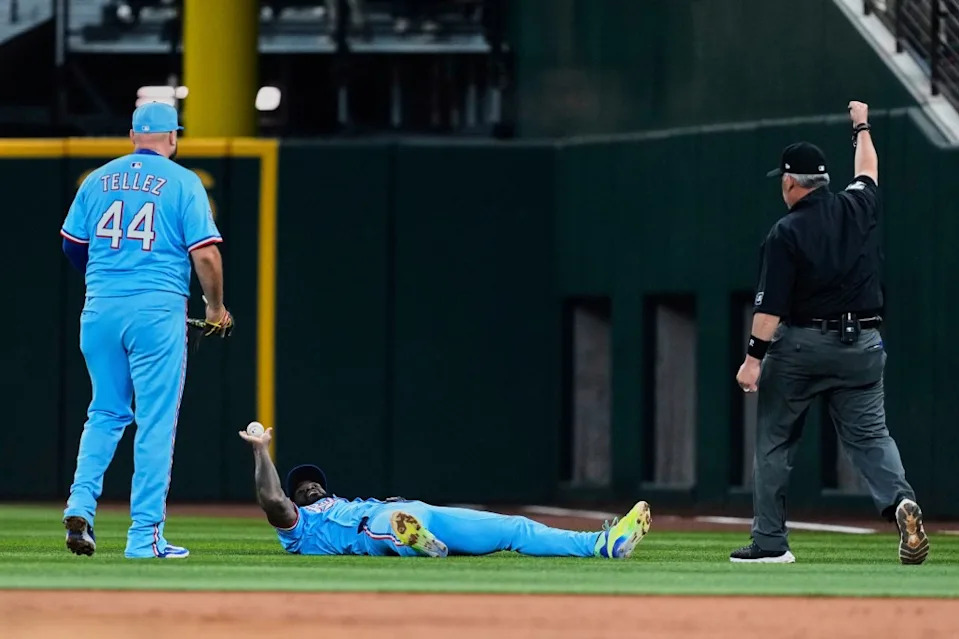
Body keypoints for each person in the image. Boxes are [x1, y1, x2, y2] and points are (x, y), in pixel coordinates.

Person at [731, 101, 928, 565]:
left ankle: (770, 543)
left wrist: (753, 360)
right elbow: (868, 168)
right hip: (863, 344)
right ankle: (901, 502)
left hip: (802, 347)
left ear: (790, 183)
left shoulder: (786, 232)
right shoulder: (858, 205)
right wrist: (861, 124)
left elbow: (770, 309)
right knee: (872, 437)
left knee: (775, 441)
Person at [60, 102, 234, 559]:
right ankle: (144, 537)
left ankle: (80, 505)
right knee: (155, 422)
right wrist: (215, 307)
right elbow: (207, 256)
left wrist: (110, 278)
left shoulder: (97, 179)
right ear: (173, 137)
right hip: (156, 310)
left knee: (105, 412)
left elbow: (73, 245)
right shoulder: (183, 181)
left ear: (133, 134)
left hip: (99, 307)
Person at [237, 426, 652, 558]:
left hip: (425, 514)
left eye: (314, 482)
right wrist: (261, 451)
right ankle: (413, 541)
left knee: (514, 528)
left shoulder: (345, 500)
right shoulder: (300, 527)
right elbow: (272, 499)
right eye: (301, 487)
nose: (309, 486)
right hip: (374, 528)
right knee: (389, 525)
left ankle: (601, 543)